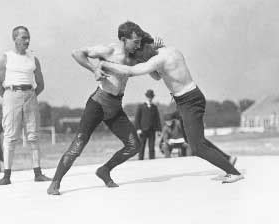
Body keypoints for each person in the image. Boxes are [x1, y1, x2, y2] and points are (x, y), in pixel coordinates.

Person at [98, 40, 242, 183]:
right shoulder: (167, 53)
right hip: (187, 100)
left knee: (197, 147)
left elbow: (130, 71)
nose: (139, 59)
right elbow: (156, 75)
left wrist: (105, 64)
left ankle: (233, 172)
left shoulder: (157, 59)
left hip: (189, 102)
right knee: (197, 140)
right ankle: (228, 160)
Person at [47, 21, 156, 195]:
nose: (138, 45)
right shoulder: (109, 50)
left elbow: (155, 75)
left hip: (115, 108)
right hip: (98, 104)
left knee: (134, 145)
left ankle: (104, 170)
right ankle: (55, 182)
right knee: (78, 145)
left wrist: (152, 52)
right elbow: (76, 53)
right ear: (123, 39)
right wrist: (94, 70)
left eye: (139, 42)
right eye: (135, 42)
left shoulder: (136, 54)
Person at [0, 26, 51, 185]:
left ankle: (38, 173)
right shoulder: (5, 58)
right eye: (23, 38)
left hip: (30, 95)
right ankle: (6, 176)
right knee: (10, 136)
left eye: (28, 37)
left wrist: (29, 97)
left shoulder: (34, 59)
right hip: (11, 94)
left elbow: (40, 84)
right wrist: (10, 98)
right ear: (15, 39)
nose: (27, 41)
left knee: (33, 135)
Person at [135, 89, 161, 160]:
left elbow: (157, 119)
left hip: (152, 130)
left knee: (152, 147)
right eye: (149, 97)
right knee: (142, 146)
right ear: (146, 97)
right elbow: (137, 119)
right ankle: (140, 160)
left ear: (153, 97)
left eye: (151, 97)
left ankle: (152, 161)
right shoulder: (141, 106)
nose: (150, 98)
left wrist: (159, 130)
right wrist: (138, 129)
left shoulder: (154, 107)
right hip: (143, 130)